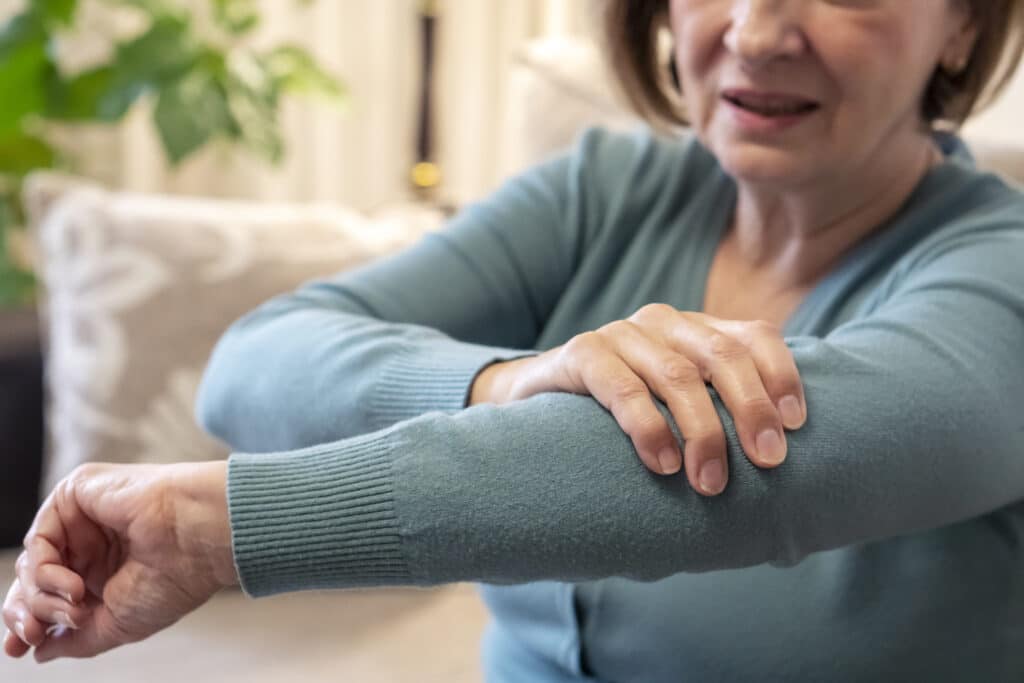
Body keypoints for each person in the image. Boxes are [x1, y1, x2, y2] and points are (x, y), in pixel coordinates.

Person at [5, 0, 1024, 679]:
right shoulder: (607, 189)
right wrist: (504, 381)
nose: (756, 31)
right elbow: (260, 356)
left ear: (962, 25)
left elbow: (730, 477)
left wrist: (217, 527)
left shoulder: (999, 278)